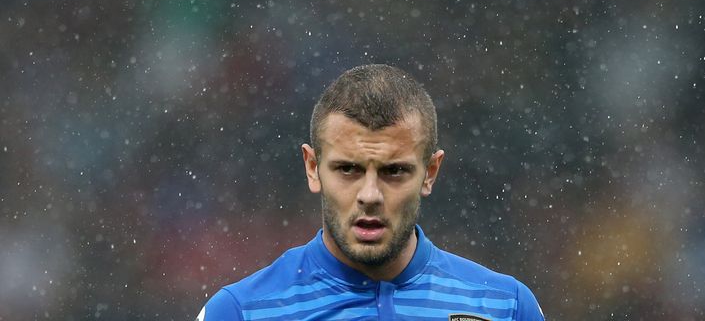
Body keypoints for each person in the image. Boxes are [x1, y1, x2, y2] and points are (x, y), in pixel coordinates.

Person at [195, 64, 544, 321]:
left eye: (395, 171)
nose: (370, 194)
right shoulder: (239, 312)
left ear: (430, 173)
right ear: (312, 167)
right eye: (348, 169)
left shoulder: (506, 307)